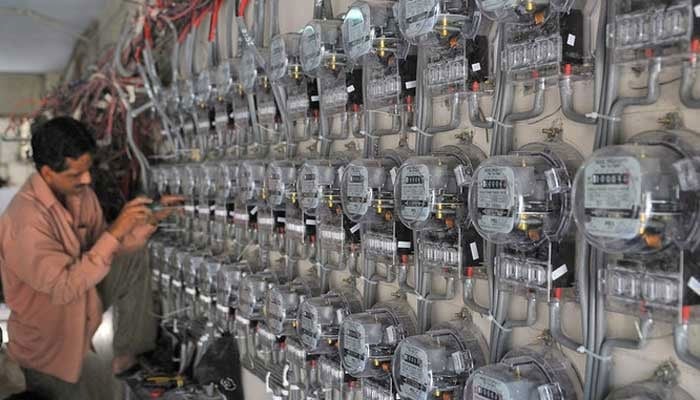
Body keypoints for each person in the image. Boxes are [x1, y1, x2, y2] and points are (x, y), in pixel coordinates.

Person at [0, 116, 181, 399]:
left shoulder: (80, 195)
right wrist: (117, 230)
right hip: (48, 347)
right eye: (75, 175)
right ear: (47, 173)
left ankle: (130, 357)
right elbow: (63, 288)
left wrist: (147, 221)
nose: (86, 179)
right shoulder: (25, 222)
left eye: (87, 170)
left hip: (81, 302)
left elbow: (105, 251)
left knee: (133, 257)